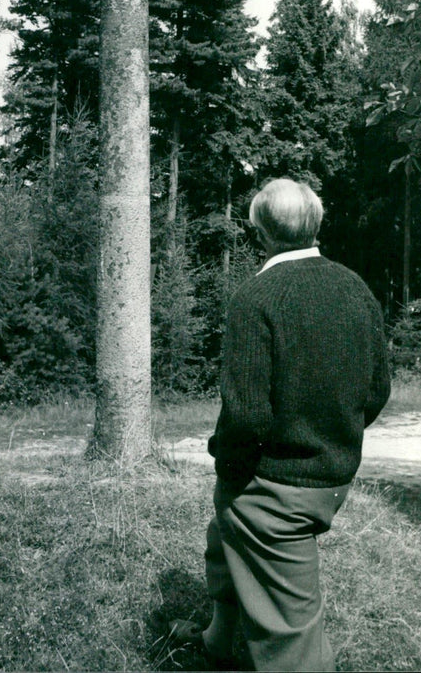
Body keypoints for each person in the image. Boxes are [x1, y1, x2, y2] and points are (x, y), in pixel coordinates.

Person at [170, 178, 390, 671]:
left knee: (294, 640)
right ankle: (219, 640)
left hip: (284, 485)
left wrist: (227, 463)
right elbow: (376, 392)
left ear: (260, 231)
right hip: (331, 476)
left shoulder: (256, 296)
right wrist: (331, 433)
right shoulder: (355, 287)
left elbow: (246, 417)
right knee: (223, 528)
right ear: (315, 226)